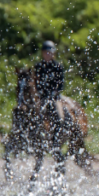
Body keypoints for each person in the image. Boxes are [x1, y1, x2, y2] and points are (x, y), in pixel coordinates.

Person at [33, 39, 67, 172]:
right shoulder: (38, 67)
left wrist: (54, 93)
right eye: (45, 52)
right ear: (42, 53)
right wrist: (40, 92)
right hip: (42, 96)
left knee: (59, 115)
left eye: (49, 52)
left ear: (53, 53)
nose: (47, 54)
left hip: (54, 97)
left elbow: (60, 84)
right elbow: (35, 83)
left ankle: (57, 136)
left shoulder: (58, 66)